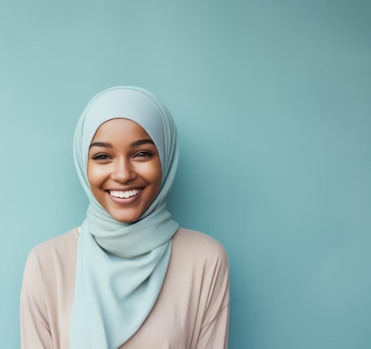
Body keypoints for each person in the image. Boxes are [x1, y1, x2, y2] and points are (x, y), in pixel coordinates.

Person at [20, 86, 229, 349]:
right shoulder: (47, 264)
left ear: (165, 157)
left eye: (142, 153)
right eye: (103, 156)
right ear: (83, 164)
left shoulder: (205, 260)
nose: (122, 174)